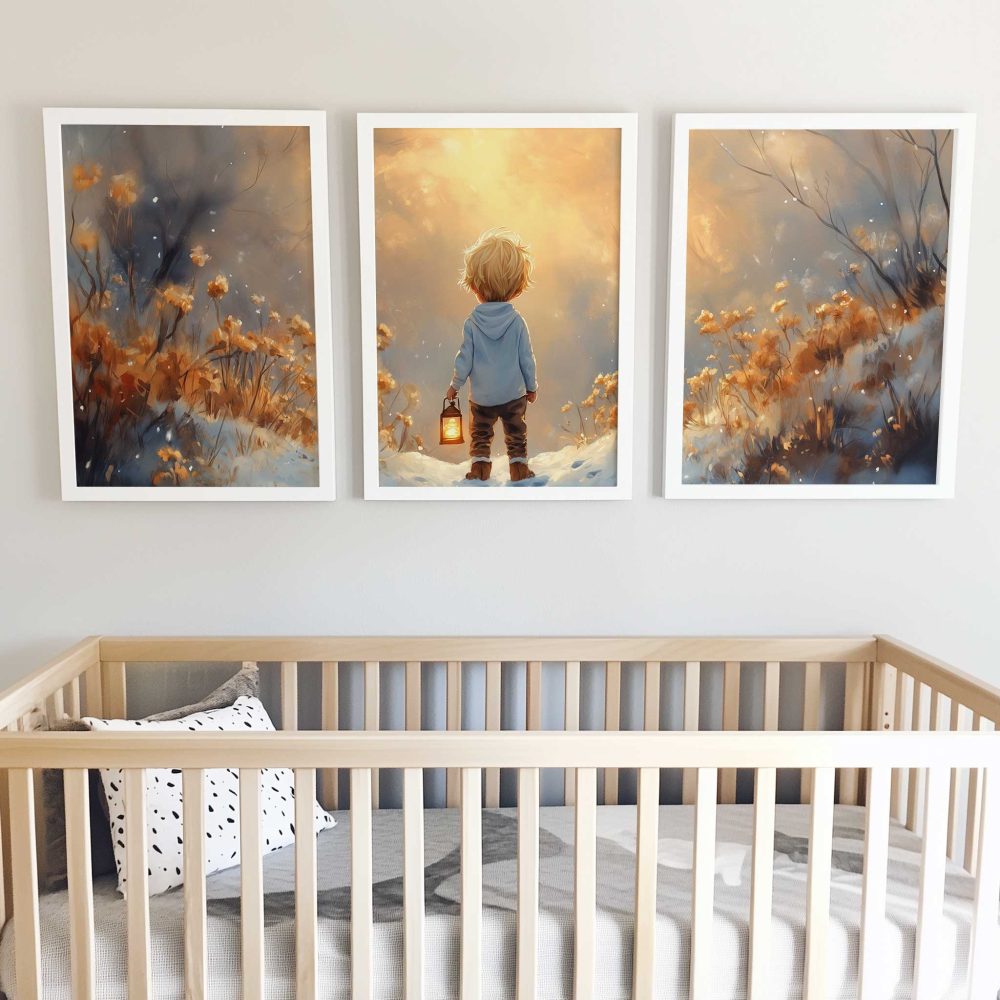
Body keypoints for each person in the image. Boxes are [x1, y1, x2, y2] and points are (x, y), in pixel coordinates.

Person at [446, 228, 538, 482]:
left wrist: (455, 385)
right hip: (513, 394)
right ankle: (519, 470)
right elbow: (526, 359)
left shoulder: (472, 323)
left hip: (482, 396)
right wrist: (531, 386)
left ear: (475, 285)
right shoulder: (517, 322)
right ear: (517, 287)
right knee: (516, 433)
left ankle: (479, 469)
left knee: (481, 434)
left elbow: (464, 359)